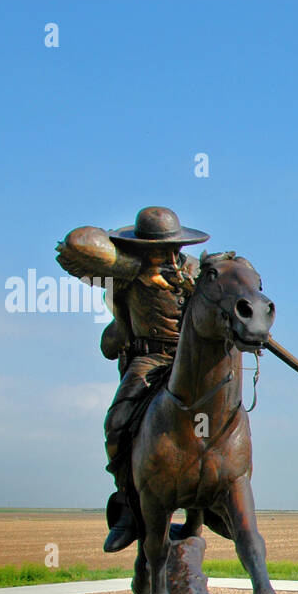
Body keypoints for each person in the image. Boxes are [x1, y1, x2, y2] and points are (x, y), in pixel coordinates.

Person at [55, 206, 209, 552]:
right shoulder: (123, 275)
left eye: (167, 247)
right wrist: (133, 270)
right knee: (118, 423)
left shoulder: (199, 273)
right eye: (152, 248)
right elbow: (80, 243)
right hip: (149, 358)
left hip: (192, 359)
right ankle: (127, 503)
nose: (162, 254)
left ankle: (214, 503)